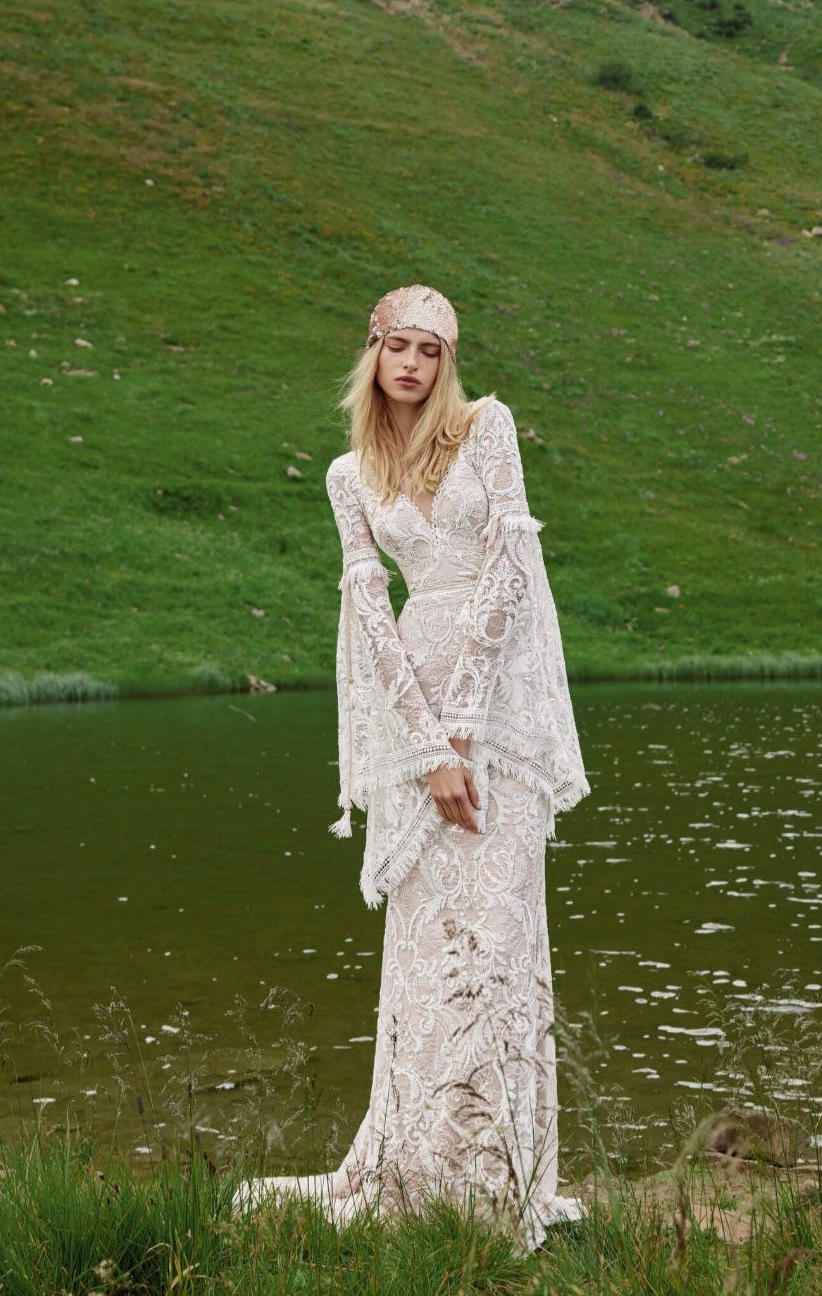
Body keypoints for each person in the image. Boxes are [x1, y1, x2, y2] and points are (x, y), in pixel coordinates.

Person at [234, 284, 590, 1250]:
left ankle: (504, 1180)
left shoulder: (487, 428)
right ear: (373, 350)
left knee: (502, 934)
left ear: (448, 363)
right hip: (413, 716)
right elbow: (370, 615)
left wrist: (468, 725)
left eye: (433, 352)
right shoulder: (350, 474)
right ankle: (419, 1170)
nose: (415, 367)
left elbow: (513, 569)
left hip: (498, 707)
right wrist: (428, 745)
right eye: (400, 347)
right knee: (427, 947)